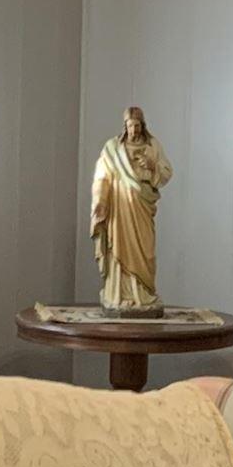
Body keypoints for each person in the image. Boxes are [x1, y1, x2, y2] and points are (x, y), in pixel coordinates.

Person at [89, 106, 171, 313]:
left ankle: (143, 295)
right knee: (119, 248)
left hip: (142, 205)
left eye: (137, 125)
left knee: (145, 251)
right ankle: (119, 295)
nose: (134, 130)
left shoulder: (153, 145)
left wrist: (152, 165)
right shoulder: (112, 148)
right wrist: (100, 201)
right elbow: (102, 177)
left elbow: (167, 172)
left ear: (143, 126)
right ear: (125, 127)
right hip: (119, 208)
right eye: (130, 126)